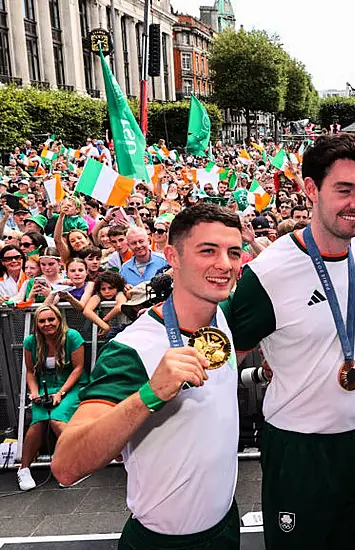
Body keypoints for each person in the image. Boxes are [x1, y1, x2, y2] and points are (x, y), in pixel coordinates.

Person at [51, 203, 244, 550]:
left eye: (234, 252)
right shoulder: (132, 349)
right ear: (173, 256)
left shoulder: (221, 317)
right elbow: (65, 465)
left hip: (226, 525)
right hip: (162, 543)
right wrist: (149, 395)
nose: (225, 264)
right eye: (208, 251)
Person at [228, 133, 355, 549]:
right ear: (311, 189)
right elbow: (226, 357)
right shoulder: (269, 272)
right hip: (299, 448)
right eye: (344, 190)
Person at [17, 305, 86, 491]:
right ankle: (23, 469)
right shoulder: (31, 342)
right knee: (38, 421)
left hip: (69, 386)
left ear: (58, 319)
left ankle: (74, 465)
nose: (47, 324)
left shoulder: (72, 336)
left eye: (51, 319)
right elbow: (31, 372)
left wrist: (61, 393)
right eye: (42, 321)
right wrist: (35, 393)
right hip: (44, 387)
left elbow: (78, 368)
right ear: (37, 324)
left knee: (56, 419)